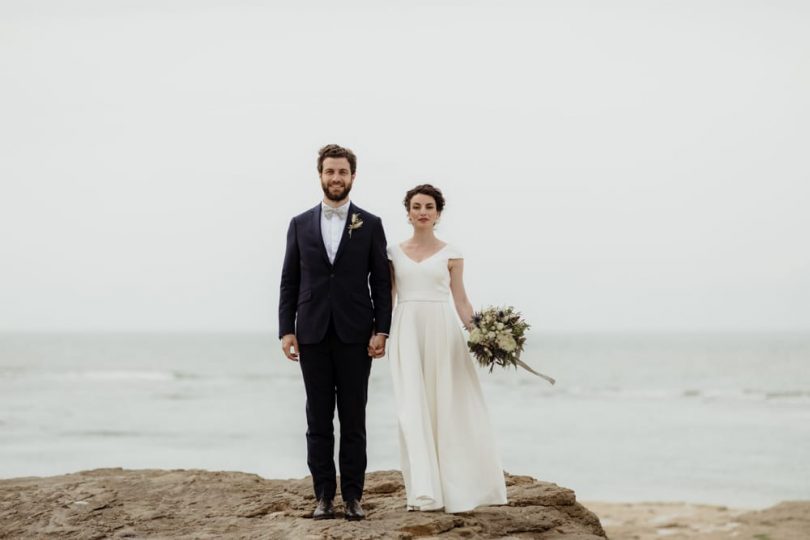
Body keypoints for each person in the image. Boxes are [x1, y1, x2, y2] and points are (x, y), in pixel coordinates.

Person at [278, 144, 392, 521]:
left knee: (354, 419)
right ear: (321, 175)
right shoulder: (299, 223)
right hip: (311, 332)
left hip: (356, 334)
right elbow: (289, 281)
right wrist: (286, 330)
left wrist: (382, 330)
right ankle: (324, 497)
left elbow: (380, 281)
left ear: (353, 176)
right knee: (318, 420)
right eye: (330, 171)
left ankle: (354, 498)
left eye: (343, 172)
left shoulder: (371, 224)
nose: (336, 178)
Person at [386, 184, 508, 513]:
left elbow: (461, 300)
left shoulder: (452, 253)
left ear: (438, 213)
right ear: (408, 212)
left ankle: (457, 485)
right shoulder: (392, 252)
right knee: (413, 408)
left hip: (442, 330)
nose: (422, 211)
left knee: (448, 405)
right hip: (406, 329)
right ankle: (424, 490)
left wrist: (485, 335)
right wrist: (378, 334)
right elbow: (390, 298)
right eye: (416, 206)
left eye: (429, 206)